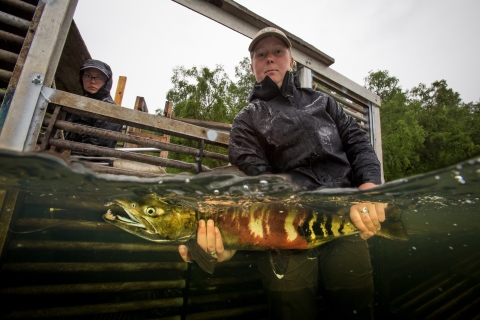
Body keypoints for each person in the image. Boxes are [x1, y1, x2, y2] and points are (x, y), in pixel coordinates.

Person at [179, 27, 385, 319]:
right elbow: (254, 183)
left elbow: (359, 143)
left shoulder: (324, 102)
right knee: (291, 309)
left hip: (344, 214)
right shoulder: (247, 119)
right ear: (252, 66)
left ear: (292, 62)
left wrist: (369, 186)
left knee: (357, 304)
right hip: (282, 231)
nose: (270, 59)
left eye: (278, 52)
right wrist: (232, 238)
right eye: (261, 55)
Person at [64, 59, 123, 156]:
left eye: (99, 78)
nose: (92, 81)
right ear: (81, 77)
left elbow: (96, 151)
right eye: (88, 76)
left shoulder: (110, 110)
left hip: (88, 166)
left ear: (107, 82)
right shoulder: (78, 104)